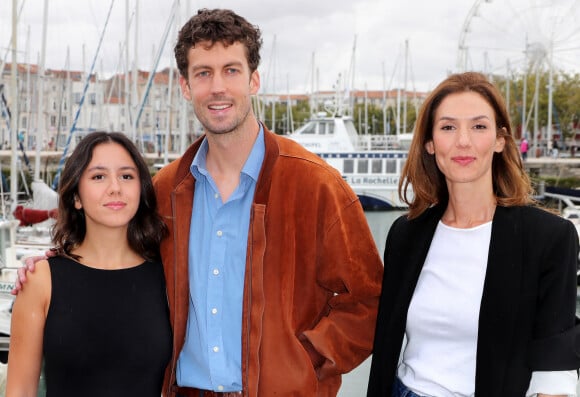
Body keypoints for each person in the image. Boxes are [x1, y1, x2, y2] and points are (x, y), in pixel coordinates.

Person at [13, 8, 383, 397]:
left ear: (254, 80)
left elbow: (368, 301)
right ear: (186, 87)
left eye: (231, 70)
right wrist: (54, 263)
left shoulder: (315, 184)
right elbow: (114, 253)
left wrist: (303, 361)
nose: (218, 87)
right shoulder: (166, 188)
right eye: (203, 73)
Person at [366, 71, 580, 397]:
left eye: (478, 126)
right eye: (448, 127)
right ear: (429, 142)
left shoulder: (549, 237)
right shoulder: (406, 234)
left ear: (499, 140)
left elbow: (555, 367)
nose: (463, 141)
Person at [6, 132, 172, 396]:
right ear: (76, 197)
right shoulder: (41, 280)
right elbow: (20, 391)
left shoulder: (167, 277)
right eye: (98, 176)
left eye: (127, 176)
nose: (115, 187)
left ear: (141, 190)